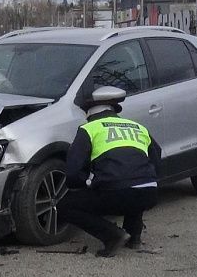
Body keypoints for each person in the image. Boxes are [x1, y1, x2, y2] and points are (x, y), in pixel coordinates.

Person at [58, 86, 161, 257]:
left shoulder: (89, 129)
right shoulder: (137, 127)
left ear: (89, 114)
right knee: (134, 183)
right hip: (150, 192)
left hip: (118, 192)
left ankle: (113, 236)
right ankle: (133, 235)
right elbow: (156, 158)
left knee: (65, 206)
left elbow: (72, 173)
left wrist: (89, 182)